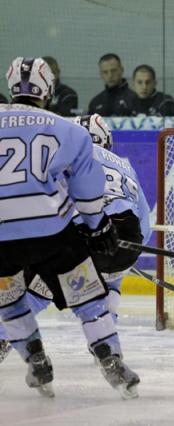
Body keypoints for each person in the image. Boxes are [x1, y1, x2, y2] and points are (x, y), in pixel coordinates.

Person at [0, 57, 139, 399]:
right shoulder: (68, 129)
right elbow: (87, 188)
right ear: (47, 89)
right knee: (88, 295)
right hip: (52, 231)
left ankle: (34, 357)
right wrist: (96, 226)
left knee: (8, 298)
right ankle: (111, 358)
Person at [0, 113, 151, 363]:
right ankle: (107, 349)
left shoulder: (69, 159)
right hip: (129, 238)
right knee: (110, 280)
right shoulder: (125, 165)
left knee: (43, 281)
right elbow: (143, 219)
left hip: (89, 230)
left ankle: (3, 336)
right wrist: (129, 256)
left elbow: (54, 211)